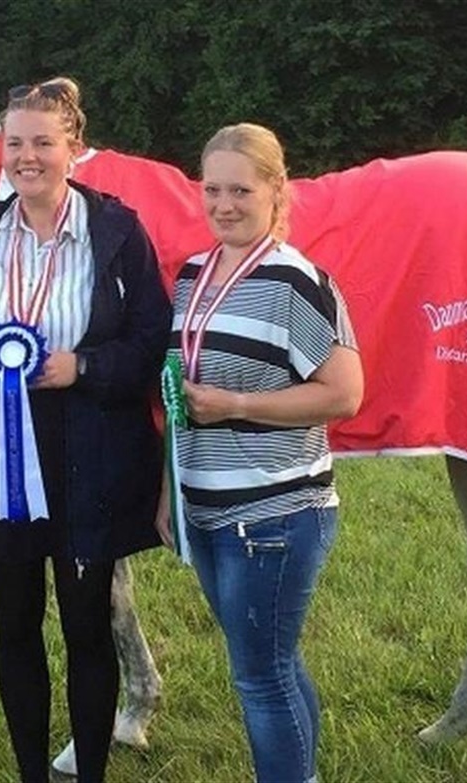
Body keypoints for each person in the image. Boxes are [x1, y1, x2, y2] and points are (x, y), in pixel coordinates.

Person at [0, 77, 169, 783]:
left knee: (87, 627)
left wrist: (82, 366)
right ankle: (32, 773)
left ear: (74, 147)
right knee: (15, 628)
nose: (26, 156)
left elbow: (150, 341)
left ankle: (90, 771)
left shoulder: (116, 232)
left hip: (89, 456)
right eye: (15, 143)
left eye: (42, 142)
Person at [155, 123, 364, 783]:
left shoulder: (296, 282)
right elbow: (180, 392)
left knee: (260, 676)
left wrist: (238, 404)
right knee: (272, 663)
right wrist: (169, 491)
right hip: (206, 509)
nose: (224, 205)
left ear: (277, 190)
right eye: (213, 189)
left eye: (241, 190)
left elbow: (345, 393)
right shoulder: (192, 275)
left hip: (275, 513)